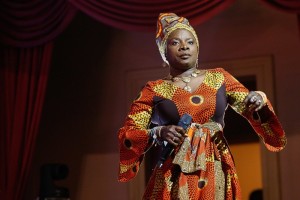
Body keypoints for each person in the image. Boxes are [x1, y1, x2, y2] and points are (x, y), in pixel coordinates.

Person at [118, 13, 287, 200]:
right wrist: (158, 132)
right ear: (163, 51)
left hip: (215, 166)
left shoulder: (219, 78)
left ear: (197, 47)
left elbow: (248, 103)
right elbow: (129, 133)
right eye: (175, 43)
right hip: (174, 172)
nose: (184, 47)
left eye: (190, 42)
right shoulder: (154, 89)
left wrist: (258, 99)